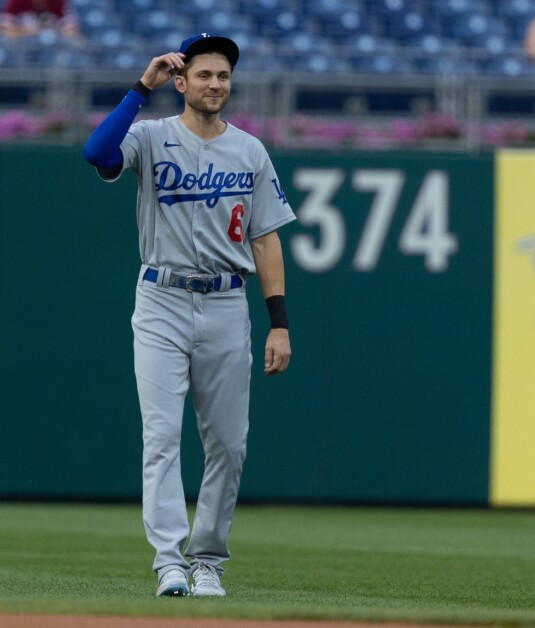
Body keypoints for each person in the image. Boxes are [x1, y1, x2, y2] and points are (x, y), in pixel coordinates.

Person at [82, 33, 296, 597]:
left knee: (229, 442)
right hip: (162, 298)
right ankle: (168, 559)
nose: (215, 84)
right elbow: (97, 153)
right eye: (203, 74)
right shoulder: (151, 137)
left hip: (228, 301)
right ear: (181, 82)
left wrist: (280, 322)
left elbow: (266, 240)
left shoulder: (250, 149)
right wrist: (139, 87)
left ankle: (207, 561)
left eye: (223, 75)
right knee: (161, 436)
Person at [0, 0, 81, 40]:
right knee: (8, 36)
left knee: (75, 38)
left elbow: (72, 27)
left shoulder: (58, 1)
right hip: (21, 41)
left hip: (54, 41)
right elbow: (4, 26)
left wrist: (48, 28)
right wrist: (26, 31)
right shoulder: (17, 1)